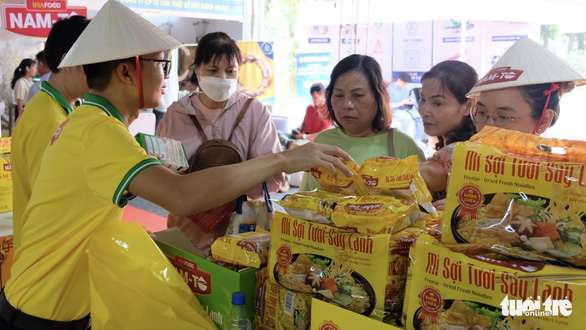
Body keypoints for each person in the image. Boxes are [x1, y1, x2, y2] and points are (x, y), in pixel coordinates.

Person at [0, 2, 351, 328]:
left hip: (52, 298)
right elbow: (181, 195)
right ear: (126, 71)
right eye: (161, 64)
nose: (168, 75)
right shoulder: (97, 130)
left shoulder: (92, 122)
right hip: (41, 308)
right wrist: (286, 158)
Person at [157, 31, 286, 254]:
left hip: (241, 233)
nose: (222, 78)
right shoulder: (176, 114)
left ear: (238, 72)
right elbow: (160, 174)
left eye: (230, 71)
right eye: (213, 70)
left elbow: (273, 176)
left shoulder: (255, 112)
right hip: (186, 230)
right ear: (197, 69)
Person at [424, 36, 586, 210]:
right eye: (482, 112)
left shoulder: (567, 175)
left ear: (543, 120)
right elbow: (427, 173)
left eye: (503, 117)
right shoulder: (458, 155)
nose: (487, 127)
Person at [11, 15, 91, 252]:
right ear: (69, 62)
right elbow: (51, 204)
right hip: (45, 260)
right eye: (95, 64)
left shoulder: (61, 108)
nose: (101, 74)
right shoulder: (48, 119)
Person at [299, 54, 425, 191]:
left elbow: (425, 206)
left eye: (358, 95)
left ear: (378, 97)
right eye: (339, 95)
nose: (347, 105)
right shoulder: (322, 141)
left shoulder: (402, 145)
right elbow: (303, 201)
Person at [417, 61, 478, 195]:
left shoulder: (459, 152)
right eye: (422, 99)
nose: (425, 111)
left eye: (437, 103)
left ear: (468, 106)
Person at [278, 82, 332, 149]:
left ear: (323, 96)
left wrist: (304, 136)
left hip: (310, 140)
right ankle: (291, 143)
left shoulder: (327, 111)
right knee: (277, 133)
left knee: (300, 144)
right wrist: (297, 131)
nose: (313, 100)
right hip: (301, 135)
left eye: (315, 97)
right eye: (312, 97)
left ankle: (292, 144)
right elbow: (304, 123)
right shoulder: (310, 108)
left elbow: (323, 134)